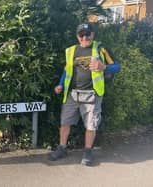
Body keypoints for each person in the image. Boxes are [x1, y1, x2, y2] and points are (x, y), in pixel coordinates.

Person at [49, 23, 120, 166]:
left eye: (88, 34)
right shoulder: (71, 51)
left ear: (92, 35)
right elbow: (66, 70)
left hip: (92, 95)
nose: (85, 37)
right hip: (73, 95)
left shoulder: (100, 48)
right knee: (64, 123)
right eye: (81, 35)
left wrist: (104, 67)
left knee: (90, 125)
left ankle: (88, 152)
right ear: (77, 36)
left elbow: (117, 67)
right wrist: (60, 84)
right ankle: (62, 148)